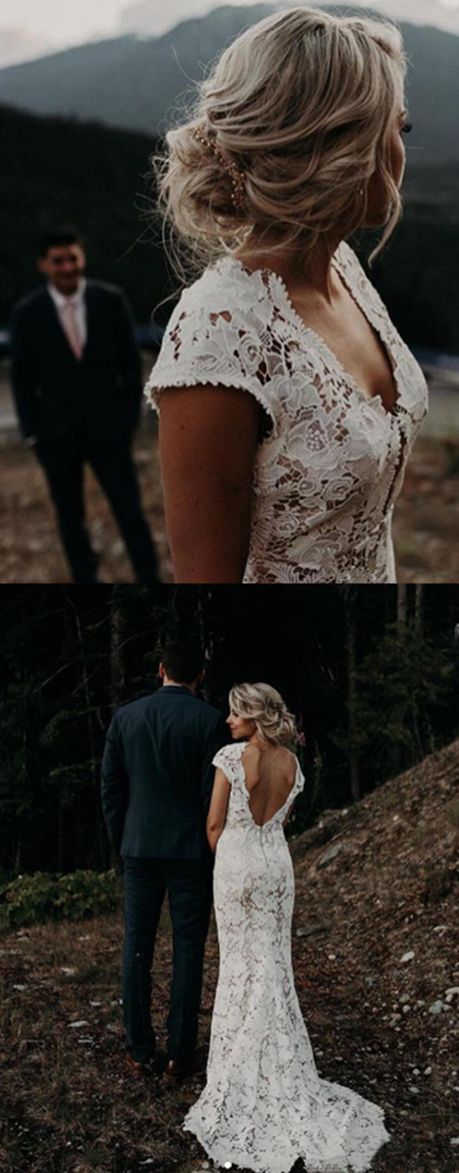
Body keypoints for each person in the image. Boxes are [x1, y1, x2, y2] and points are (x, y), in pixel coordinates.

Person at [144, 7, 428, 584]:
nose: (402, 150)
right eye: (397, 128)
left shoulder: (344, 268)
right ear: (337, 144)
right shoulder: (219, 332)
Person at [183, 682, 390, 1172]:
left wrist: (231, 861)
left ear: (255, 718)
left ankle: (239, 1076)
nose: (229, 720)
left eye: (236, 714)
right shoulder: (293, 764)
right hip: (277, 867)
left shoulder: (231, 757)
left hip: (236, 865)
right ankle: (280, 1065)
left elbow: (214, 825)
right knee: (274, 966)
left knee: (239, 966)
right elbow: (279, 821)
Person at [100, 639, 228, 1079]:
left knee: (137, 946)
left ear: (160, 670)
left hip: (139, 849)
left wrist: (125, 840)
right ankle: (179, 1052)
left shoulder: (126, 718)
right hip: (191, 851)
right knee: (188, 950)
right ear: (201, 676)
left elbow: (111, 789)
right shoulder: (211, 722)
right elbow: (212, 795)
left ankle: (138, 1048)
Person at [10, 226, 159, 584]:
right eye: (58, 261)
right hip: (56, 438)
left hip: (110, 432)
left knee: (130, 512)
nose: (66, 267)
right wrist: (33, 433)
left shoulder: (110, 301)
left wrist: (127, 420)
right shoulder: (28, 313)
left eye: (72, 258)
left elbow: (129, 364)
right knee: (69, 517)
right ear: (44, 265)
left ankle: (151, 580)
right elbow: (22, 379)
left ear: (82, 259)